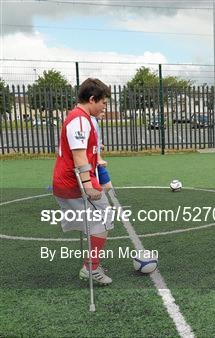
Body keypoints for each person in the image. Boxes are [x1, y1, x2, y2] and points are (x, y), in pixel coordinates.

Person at [52, 78, 114, 285]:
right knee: (105, 218)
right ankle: (91, 267)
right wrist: (88, 186)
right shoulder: (79, 120)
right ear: (92, 99)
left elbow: (85, 152)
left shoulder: (82, 118)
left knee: (101, 218)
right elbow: (79, 156)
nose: (105, 107)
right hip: (74, 184)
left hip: (72, 182)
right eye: (103, 103)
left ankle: (91, 264)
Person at [90, 112, 114, 193]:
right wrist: (98, 158)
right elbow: (90, 144)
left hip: (95, 162)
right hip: (93, 162)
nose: (104, 114)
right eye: (102, 111)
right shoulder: (91, 121)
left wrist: (99, 144)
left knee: (107, 188)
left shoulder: (94, 121)